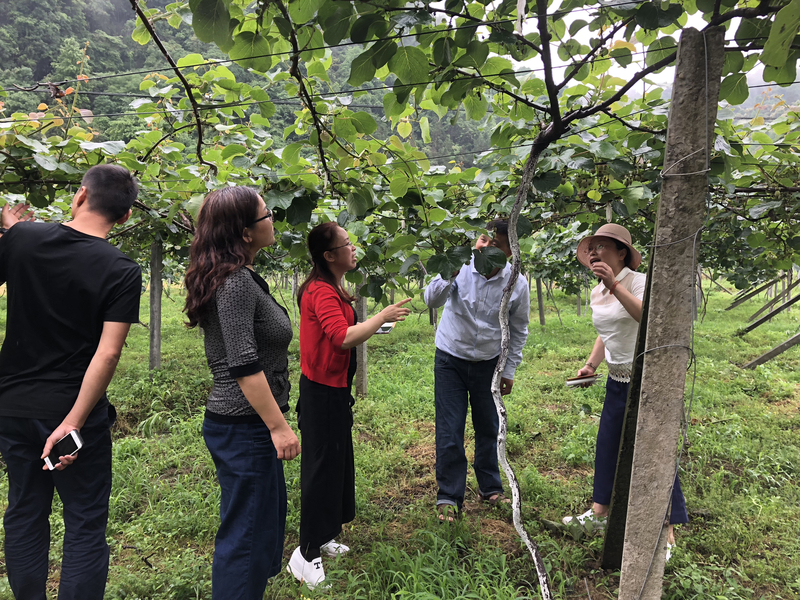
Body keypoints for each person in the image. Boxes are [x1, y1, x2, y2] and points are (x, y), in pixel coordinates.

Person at [0, 164, 141, 600]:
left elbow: (26, 249)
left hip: (14, 406)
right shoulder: (122, 269)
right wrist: (74, 422)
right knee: (84, 520)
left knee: (25, 510)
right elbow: (108, 352)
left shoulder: (23, 239)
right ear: (125, 217)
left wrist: (12, 231)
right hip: (72, 415)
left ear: (80, 195)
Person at [184, 187, 300, 600]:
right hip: (245, 426)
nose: (273, 220)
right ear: (246, 233)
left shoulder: (242, 277)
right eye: (266, 215)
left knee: (259, 531)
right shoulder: (235, 284)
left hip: (248, 426)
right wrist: (279, 427)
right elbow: (244, 364)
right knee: (246, 539)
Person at [288, 221, 411, 589]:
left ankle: (324, 534)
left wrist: (375, 324)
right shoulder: (321, 291)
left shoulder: (334, 288)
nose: (353, 248)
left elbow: (346, 332)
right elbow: (341, 337)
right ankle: (305, 553)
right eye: (346, 243)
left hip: (335, 389)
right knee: (320, 470)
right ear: (330, 255)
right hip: (321, 392)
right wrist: (380, 317)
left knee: (335, 466)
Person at [562, 223, 688, 557]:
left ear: (621, 253)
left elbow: (647, 318)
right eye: (592, 248)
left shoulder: (639, 282)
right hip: (617, 379)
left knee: (653, 451)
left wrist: (615, 285)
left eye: (602, 246)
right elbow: (607, 331)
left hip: (646, 380)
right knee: (608, 445)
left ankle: (667, 531)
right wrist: (591, 365)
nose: (594, 252)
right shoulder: (597, 291)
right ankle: (600, 512)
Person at [424, 219, 530, 522]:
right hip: (450, 359)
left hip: (489, 363)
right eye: (485, 240)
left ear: (509, 252)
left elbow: (518, 328)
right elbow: (431, 300)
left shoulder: (517, 283)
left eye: (497, 244)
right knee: (450, 428)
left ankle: (490, 487)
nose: (487, 247)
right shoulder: (461, 266)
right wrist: (450, 271)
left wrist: (509, 369)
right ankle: (449, 495)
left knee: (488, 427)